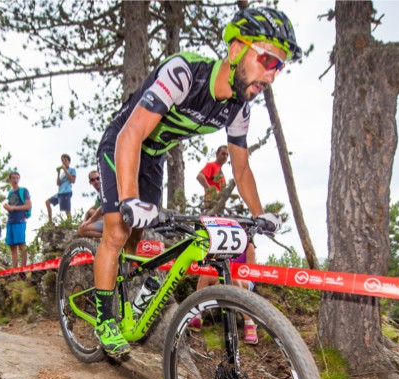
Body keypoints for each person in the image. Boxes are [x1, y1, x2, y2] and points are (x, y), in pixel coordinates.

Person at [92, 7, 299, 356]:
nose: (272, 75)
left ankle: (121, 274)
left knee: (139, 235)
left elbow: (242, 168)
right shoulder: (184, 73)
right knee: (117, 230)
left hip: (154, 155)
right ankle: (104, 319)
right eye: (267, 60)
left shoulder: (238, 107)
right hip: (124, 142)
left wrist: (260, 214)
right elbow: (132, 133)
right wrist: (128, 199)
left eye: (279, 66)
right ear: (235, 50)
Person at [188, 241, 259, 344]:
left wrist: (226, 279)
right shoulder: (224, 244)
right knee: (204, 276)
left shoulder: (249, 247)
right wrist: (221, 280)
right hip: (224, 275)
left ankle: (249, 323)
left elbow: (251, 272)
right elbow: (216, 266)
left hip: (244, 280)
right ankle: (197, 316)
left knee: (233, 280)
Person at [3, 170, 31, 270]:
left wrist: (13, 208)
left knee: (21, 245)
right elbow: (11, 206)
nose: (15, 180)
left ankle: (23, 270)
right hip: (10, 221)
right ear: (10, 179)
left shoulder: (24, 190)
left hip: (20, 221)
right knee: (12, 247)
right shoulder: (10, 193)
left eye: (17, 178)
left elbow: (28, 205)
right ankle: (14, 270)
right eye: (13, 178)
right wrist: (8, 208)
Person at [46, 153, 76, 223]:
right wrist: (58, 173)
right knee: (47, 202)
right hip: (60, 192)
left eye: (65, 160)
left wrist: (65, 170)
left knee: (67, 211)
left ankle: (69, 224)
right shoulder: (62, 173)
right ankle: (50, 221)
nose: (63, 162)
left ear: (69, 161)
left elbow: (73, 180)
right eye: (62, 161)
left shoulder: (72, 170)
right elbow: (58, 183)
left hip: (66, 192)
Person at [77, 170, 104, 239]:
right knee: (91, 211)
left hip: (112, 221)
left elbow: (103, 207)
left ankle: (106, 237)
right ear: (90, 182)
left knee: (80, 231)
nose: (96, 181)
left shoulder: (105, 190)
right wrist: (84, 222)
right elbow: (90, 211)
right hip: (107, 219)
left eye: (98, 178)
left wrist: (90, 221)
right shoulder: (100, 195)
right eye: (93, 180)